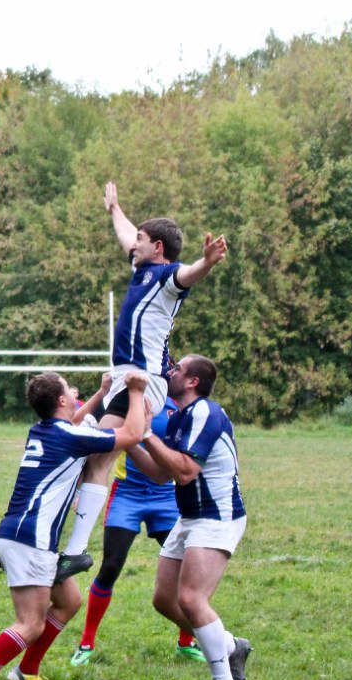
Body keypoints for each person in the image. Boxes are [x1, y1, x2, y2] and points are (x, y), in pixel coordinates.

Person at [0, 370, 148, 680]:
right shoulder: (71, 437)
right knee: (30, 623)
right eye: (69, 391)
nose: (74, 393)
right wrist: (135, 391)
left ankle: (26, 671)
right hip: (30, 540)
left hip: (21, 535)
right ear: (60, 400)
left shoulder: (44, 430)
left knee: (69, 601)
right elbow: (131, 435)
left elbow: (71, 421)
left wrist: (101, 393)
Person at [57, 182, 227, 580]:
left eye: (141, 240)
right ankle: (57, 544)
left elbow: (190, 273)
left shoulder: (167, 277)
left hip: (142, 379)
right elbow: (126, 233)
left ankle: (74, 551)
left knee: (97, 455)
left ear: (158, 248)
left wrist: (207, 262)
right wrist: (114, 209)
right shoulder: (141, 267)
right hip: (124, 377)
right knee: (84, 452)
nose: (133, 243)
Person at [130, 354, 251, 680]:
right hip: (191, 516)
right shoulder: (180, 415)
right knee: (165, 600)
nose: (170, 372)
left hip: (216, 515)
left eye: (177, 369)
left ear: (192, 381)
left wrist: (146, 433)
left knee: (191, 599)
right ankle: (231, 646)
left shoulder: (205, 413)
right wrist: (129, 442)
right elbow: (161, 474)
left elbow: (184, 472)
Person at [70, 396, 205, 666]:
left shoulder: (176, 404)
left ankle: (186, 642)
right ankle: (86, 643)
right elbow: (98, 444)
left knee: (185, 569)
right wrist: (80, 489)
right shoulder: (125, 400)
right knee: (110, 566)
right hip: (127, 493)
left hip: (167, 496)